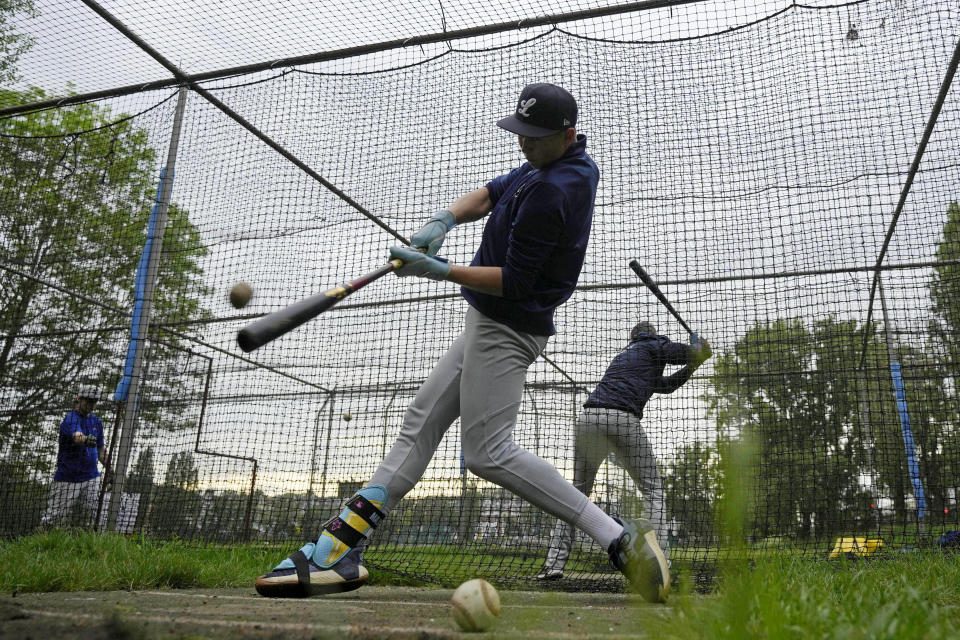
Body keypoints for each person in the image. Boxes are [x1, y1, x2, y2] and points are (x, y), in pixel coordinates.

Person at [256, 83, 669, 603]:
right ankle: (338, 551)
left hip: (508, 327)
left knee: (486, 453)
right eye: (521, 134)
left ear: (565, 136)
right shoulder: (548, 163)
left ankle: (618, 539)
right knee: (419, 423)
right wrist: (445, 219)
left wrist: (439, 269)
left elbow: (515, 281)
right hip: (487, 322)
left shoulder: (555, 190)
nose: (524, 144)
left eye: (536, 139)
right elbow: (491, 193)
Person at [536, 322, 712, 581]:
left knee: (576, 494)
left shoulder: (628, 357)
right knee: (653, 489)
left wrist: (694, 362)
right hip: (622, 419)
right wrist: (698, 351)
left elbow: (666, 385)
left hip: (589, 418)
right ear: (649, 335)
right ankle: (661, 561)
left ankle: (553, 564)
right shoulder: (652, 345)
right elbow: (679, 353)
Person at [40, 385, 110, 527]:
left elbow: (101, 449)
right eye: (88, 401)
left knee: (98, 515)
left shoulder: (97, 422)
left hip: (91, 476)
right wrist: (86, 439)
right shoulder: (70, 418)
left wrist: (111, 469)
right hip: (68, 478)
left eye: (94, 401)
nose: (91, 404)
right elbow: (77, 437)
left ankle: (96, 544)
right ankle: (41, 542)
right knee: (55, 518)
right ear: (79, 399)